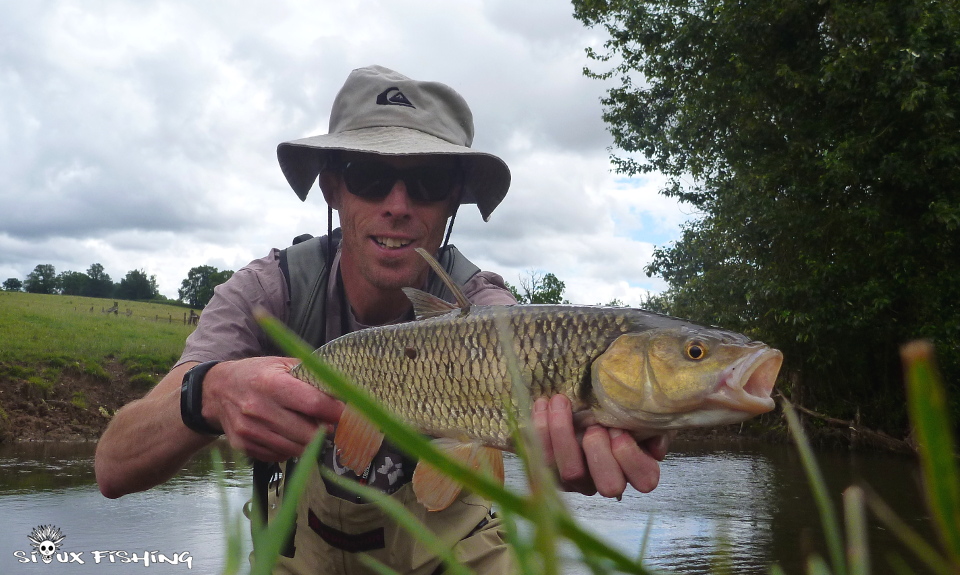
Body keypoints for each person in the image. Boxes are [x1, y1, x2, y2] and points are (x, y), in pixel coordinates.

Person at [95, 65, 669, 574]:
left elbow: (529, 346)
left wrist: (618, 418)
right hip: (301, 549)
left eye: (427, 182)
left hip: (451, 547)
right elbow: (113, 466)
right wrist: (209, 394)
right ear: (333, 187)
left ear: (452, 204)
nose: (397, 203)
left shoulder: (482, 303)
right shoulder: (269, 291)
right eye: (370, 176)